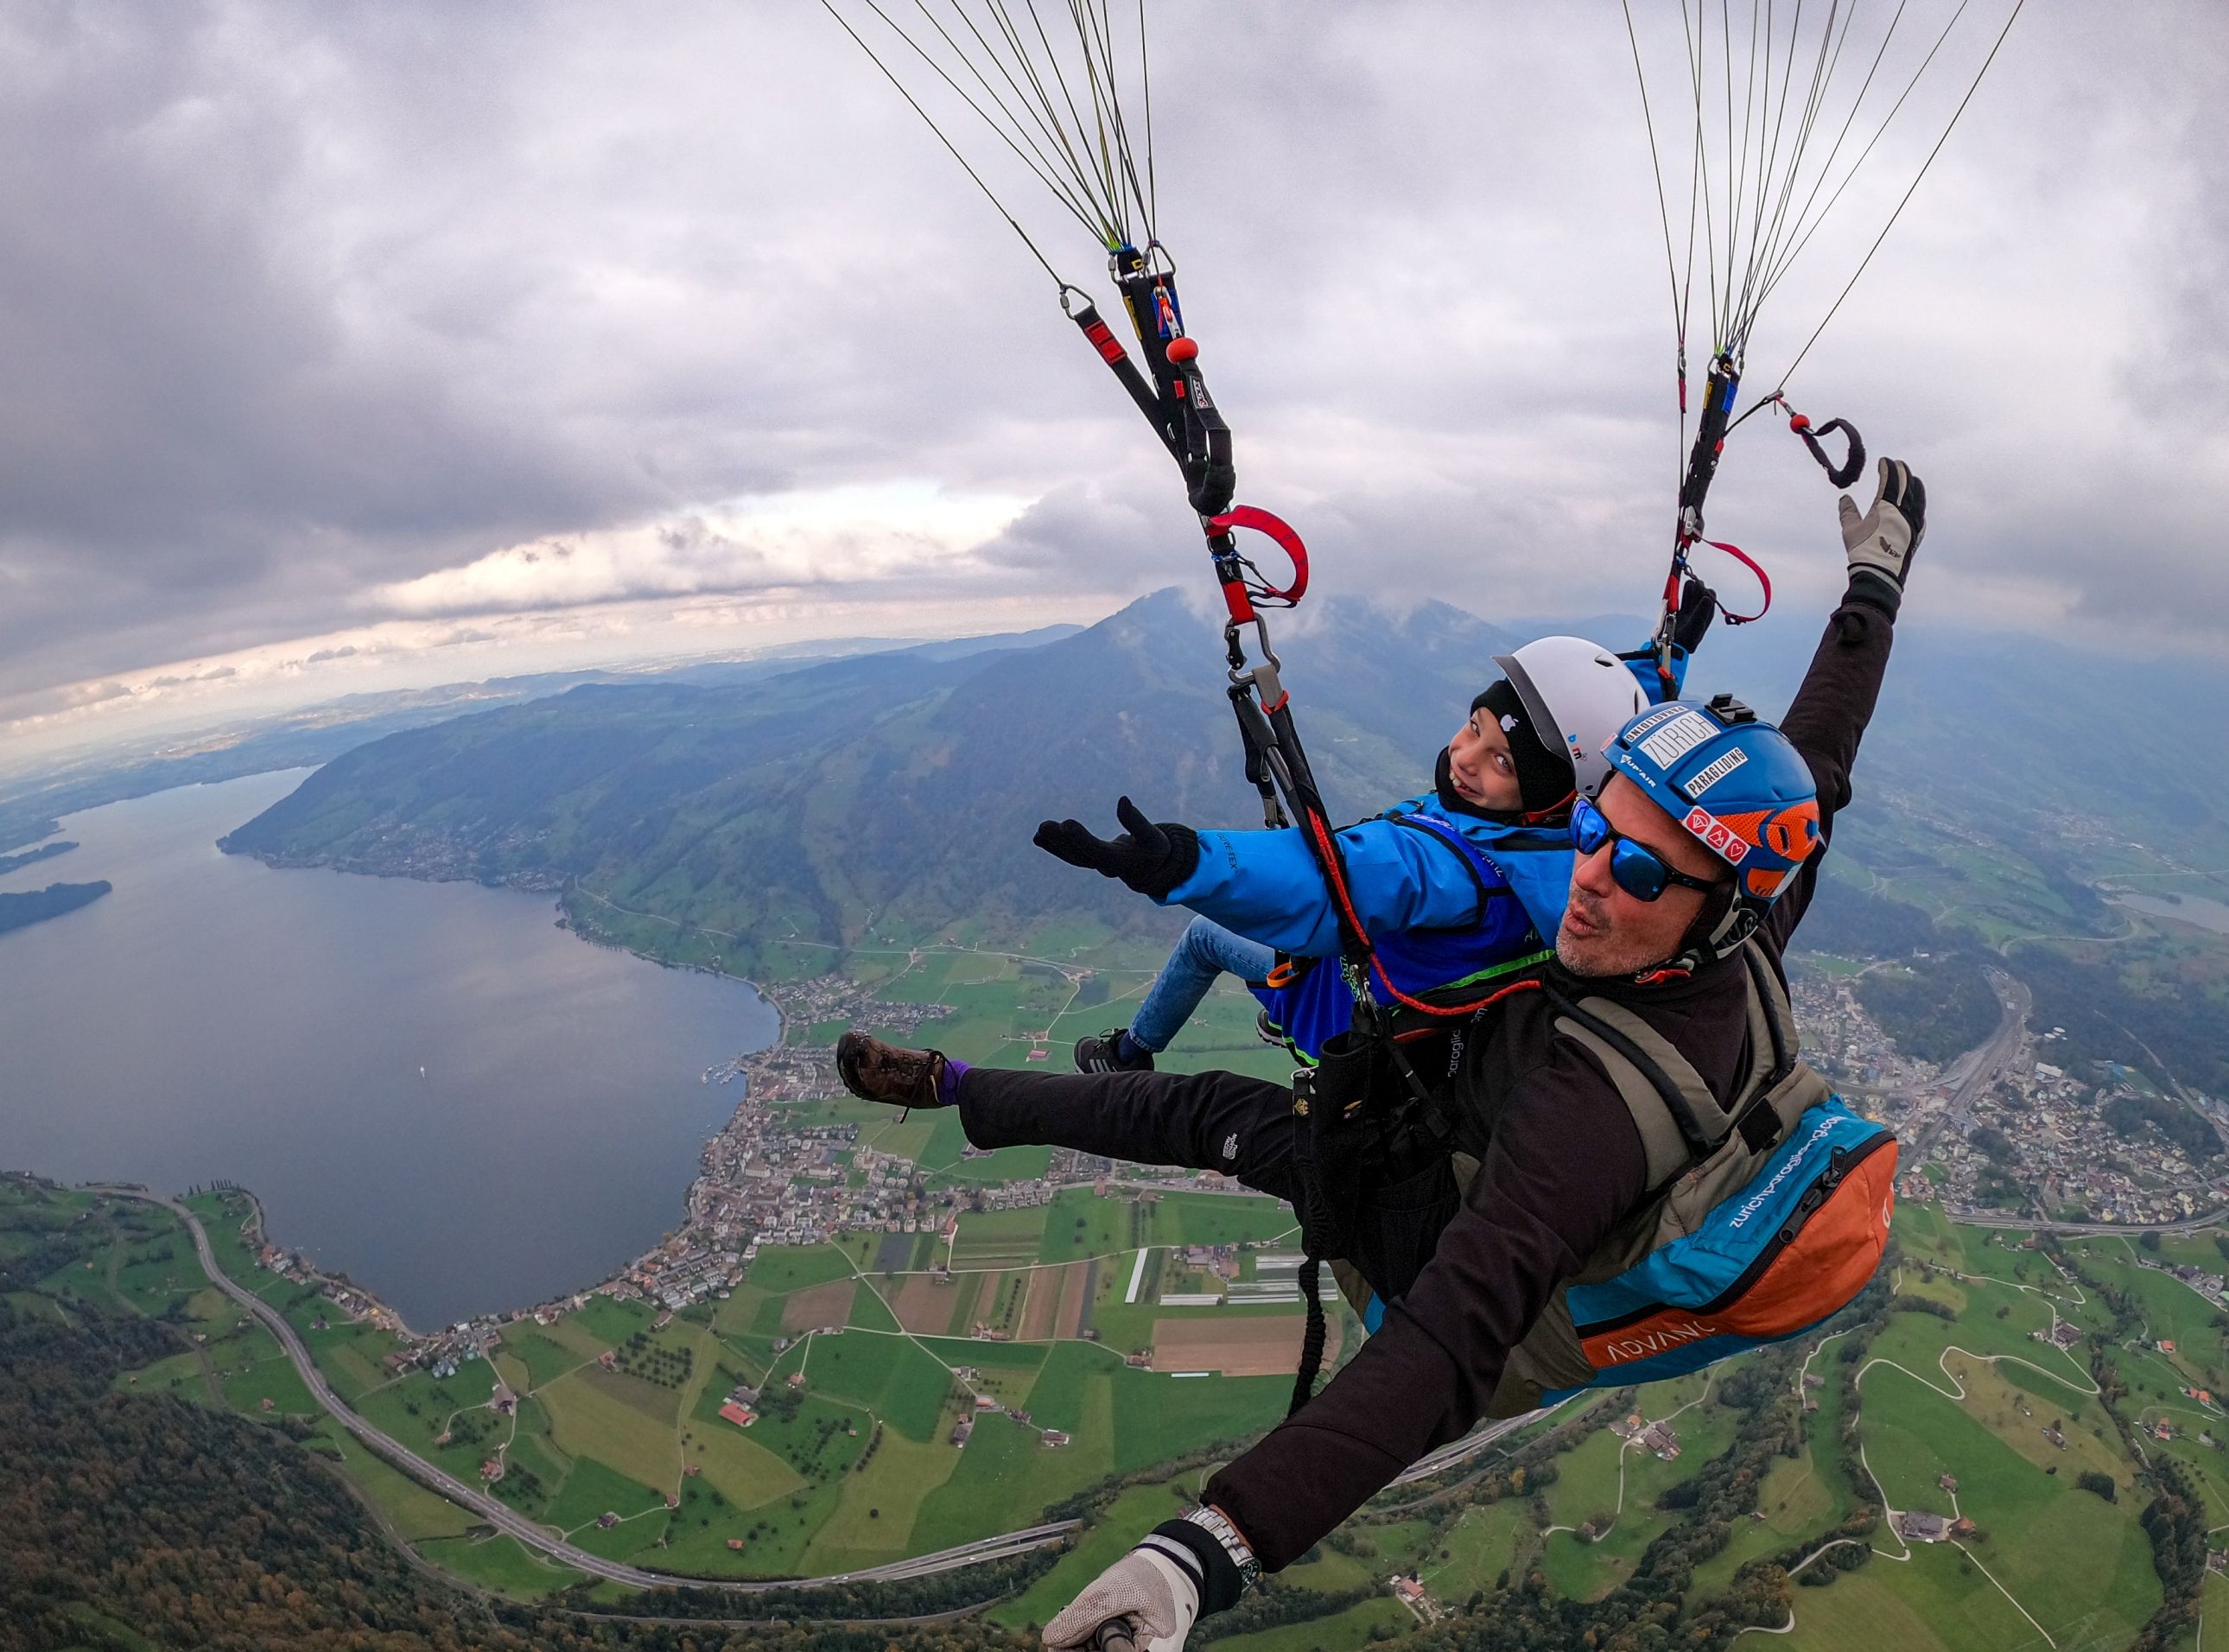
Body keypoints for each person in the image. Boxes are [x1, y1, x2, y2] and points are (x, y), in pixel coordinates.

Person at [833, 457, 1923, 1649]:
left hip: (1418, 1235)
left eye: (1647, 873)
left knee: (1207, 1116)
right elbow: (1822, 756)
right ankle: (953, 1089)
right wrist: (1875, 578)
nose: (1597, 881)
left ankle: (953, 1088)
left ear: (1714, 905)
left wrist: (1206, 1550)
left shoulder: (1592, 1111)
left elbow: (1454, 1341)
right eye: (1601, 832)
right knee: (1204, 1108)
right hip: (1455, 1112)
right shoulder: (1749, 912)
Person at [1044, 619, 1711, 1075]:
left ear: (1548, 793)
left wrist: (1182, 860)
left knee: (1203, 936)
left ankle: (1129, 1054)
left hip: (1342, 1009)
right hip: (1412, 1005)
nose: (1466, 757)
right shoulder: (1581, 837)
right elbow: (1600, 735)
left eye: (1503, 764)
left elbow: (1340, 880)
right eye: (1474, 726)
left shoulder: (1455, 870)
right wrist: (1666, 658)